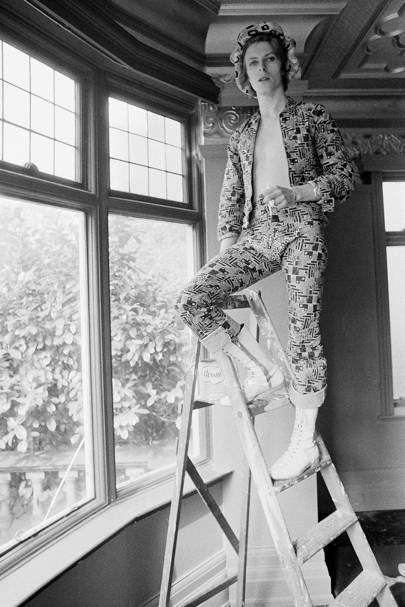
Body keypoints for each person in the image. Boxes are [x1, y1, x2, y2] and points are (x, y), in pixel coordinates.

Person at [176, 21, 358, 480]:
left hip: (302, 232)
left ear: (283, 65)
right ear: (244, 73)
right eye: (253, 62)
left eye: (270, 59)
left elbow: (344, 176)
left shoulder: (311, 117)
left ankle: (304, 442)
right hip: (259, 236)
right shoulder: (242, 135)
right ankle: (261, 368)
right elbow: (231, 200)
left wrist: (298, 193)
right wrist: (227, 256)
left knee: (303, 332)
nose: (261, 68)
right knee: (193, 298)